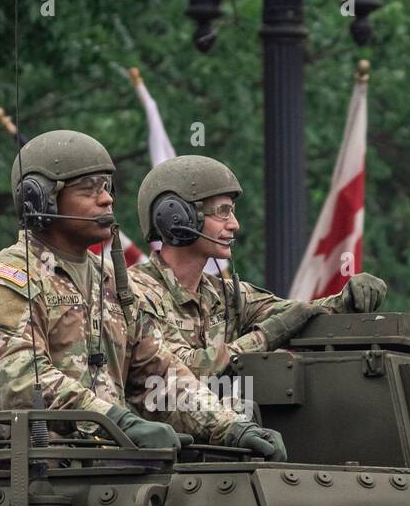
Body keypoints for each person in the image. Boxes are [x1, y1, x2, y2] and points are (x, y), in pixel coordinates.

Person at [0, 130, 286, 459]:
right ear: (40, 199)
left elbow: (161, 373)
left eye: (107, 188)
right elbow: (20, 385)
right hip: (27, 481)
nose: (107, 200)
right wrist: (118, 422)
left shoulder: (112, 283)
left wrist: (231, 428)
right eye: (89, 189)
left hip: (110, 473)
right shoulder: (8, 281)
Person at [128, 155, 387, 376]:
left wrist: (348, 299)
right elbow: (181, 371)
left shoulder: (227, 296)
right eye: (223, 212)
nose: (234, 224)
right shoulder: (134, 293)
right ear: (177, 218)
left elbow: (296, 313)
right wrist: (264, 337)